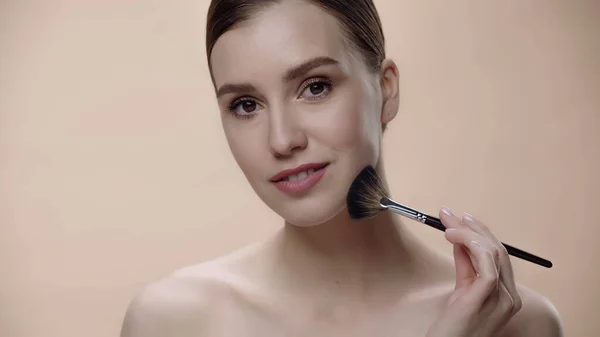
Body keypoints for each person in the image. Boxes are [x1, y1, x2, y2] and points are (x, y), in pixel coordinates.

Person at [120, 0, 563, 336]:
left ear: (386, 90)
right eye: (246, 104)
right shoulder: (173, 320)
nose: (282, 140)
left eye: (315, 87)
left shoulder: (516, 322)